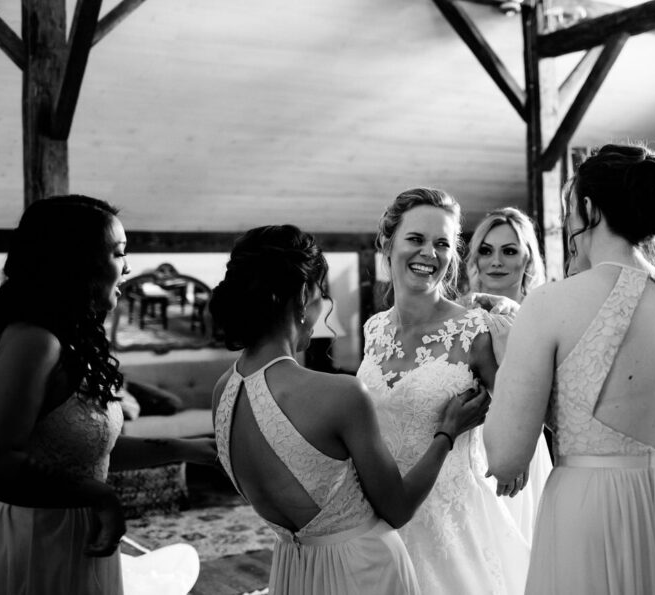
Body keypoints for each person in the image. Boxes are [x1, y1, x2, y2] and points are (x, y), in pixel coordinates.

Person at [484, 144, 655, 595]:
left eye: (570, 210)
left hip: (588, 517)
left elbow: (506, 457)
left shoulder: (550, 303)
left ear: (588, 208)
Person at [208, 225, 489, 595]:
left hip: (294, 569)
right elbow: (398, 508)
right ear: (304, 295)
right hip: (363, 572)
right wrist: (447, 432)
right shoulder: (338, 394)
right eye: (322, 292)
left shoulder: (223, 392)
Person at [0, 195, 217, 595]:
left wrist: (185, 447)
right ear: (75, 263)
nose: (127, 267)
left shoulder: (68, 343)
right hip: (40, 542)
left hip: (80, 537)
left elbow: (87, 452)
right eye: (118, 253)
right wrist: (99, 495)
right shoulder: (33, 342)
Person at [356, 187, 530, 595]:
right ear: (387, 242)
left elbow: (515, 407)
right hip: (381, 520)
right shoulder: (373, 329)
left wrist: (512, 457)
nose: (429, 254)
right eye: (416, 239)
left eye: (442, 244)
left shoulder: (476, 329)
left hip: (454, 524)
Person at [465, 207, 553, 541]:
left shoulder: (543, 315)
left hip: (525, 441)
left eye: (509, 251)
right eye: (486, 251)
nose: (496, 261)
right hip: (469, 446)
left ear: (528, 260)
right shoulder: (459, 314)